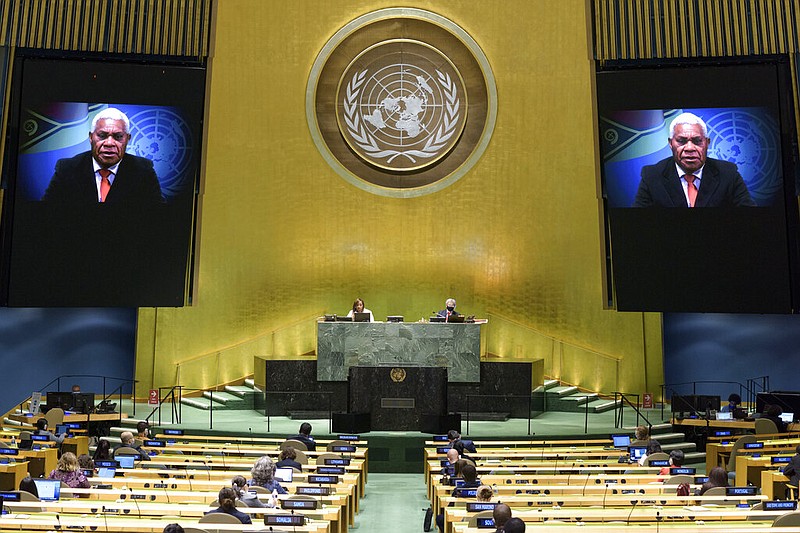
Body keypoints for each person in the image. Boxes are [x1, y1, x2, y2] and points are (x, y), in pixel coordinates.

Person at [41, 107, 164, 204]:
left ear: (128, 139)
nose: (109, 143)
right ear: (90, 137)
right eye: (102, 135)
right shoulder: (67, 168)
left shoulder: (144, 171)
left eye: (118, 136)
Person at [632, 112, 756, 208]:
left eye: (697, 141)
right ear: (670, 143)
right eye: (681, 141)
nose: (690, 148)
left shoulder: (729, 174)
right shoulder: (652, 176)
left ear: (707, 143)